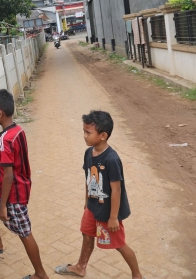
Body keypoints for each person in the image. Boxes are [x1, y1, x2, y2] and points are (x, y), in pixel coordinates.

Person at [55, 111, 144, 279]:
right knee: (87, 234)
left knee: (119, 244)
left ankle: (137, 275)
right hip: (92, 207)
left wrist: (113, 217)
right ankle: (80, 267)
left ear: (103, 135)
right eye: (84, 131)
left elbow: (116, 190)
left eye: (88, 132)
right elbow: (88, 178)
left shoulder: (111, 159)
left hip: (108, 212)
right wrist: (86, 200)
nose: (84, 136)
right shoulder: (89, 153)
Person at [0, 89, 49, 279]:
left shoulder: (3, 140)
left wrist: (4, 207)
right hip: (13, 184)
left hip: (14, 192)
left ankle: (40, 274)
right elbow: (10, 166)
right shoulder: (17, 131)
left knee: (25, 233)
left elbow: (9, 176)